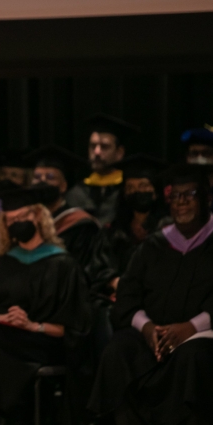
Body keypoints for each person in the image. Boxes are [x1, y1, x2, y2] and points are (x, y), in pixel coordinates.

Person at [87, 165, 213, 425]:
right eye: (175, 196)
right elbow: (126, 301)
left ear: (207, 199)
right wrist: (147, 328)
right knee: (117, 352)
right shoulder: (153, 246)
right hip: (157, 340)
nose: (181, 202)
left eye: (190, 195)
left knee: (194, 356)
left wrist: (190, 328)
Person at [0, 185, 90, 425]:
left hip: (47, 342)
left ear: (39, 216)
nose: (18, 223)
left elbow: (73, 328)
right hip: (6, 339)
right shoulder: (3, 264)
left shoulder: (63, 264)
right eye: (11, 220)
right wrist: (3, 318)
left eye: (23, 216)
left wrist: (32, 325)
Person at [86, 154, 170, 301]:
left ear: (155, 192)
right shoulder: (112, 231)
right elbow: (98, 268)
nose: (136, 191)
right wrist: (115, 282)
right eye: (130, 187)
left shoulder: (169, 229)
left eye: (143, 186)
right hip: (117, 300)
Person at [25, 145, 100, 268]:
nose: (42, 181)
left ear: (63, 186)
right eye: (37, 177)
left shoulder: (80, 225)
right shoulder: (25, 221)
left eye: (50, 177)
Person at [67, 114, 140, 225]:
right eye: (93, 146)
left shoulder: (127, 190)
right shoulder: (76, 193)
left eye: (104, 146)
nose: (96, 152)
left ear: (119, 153)